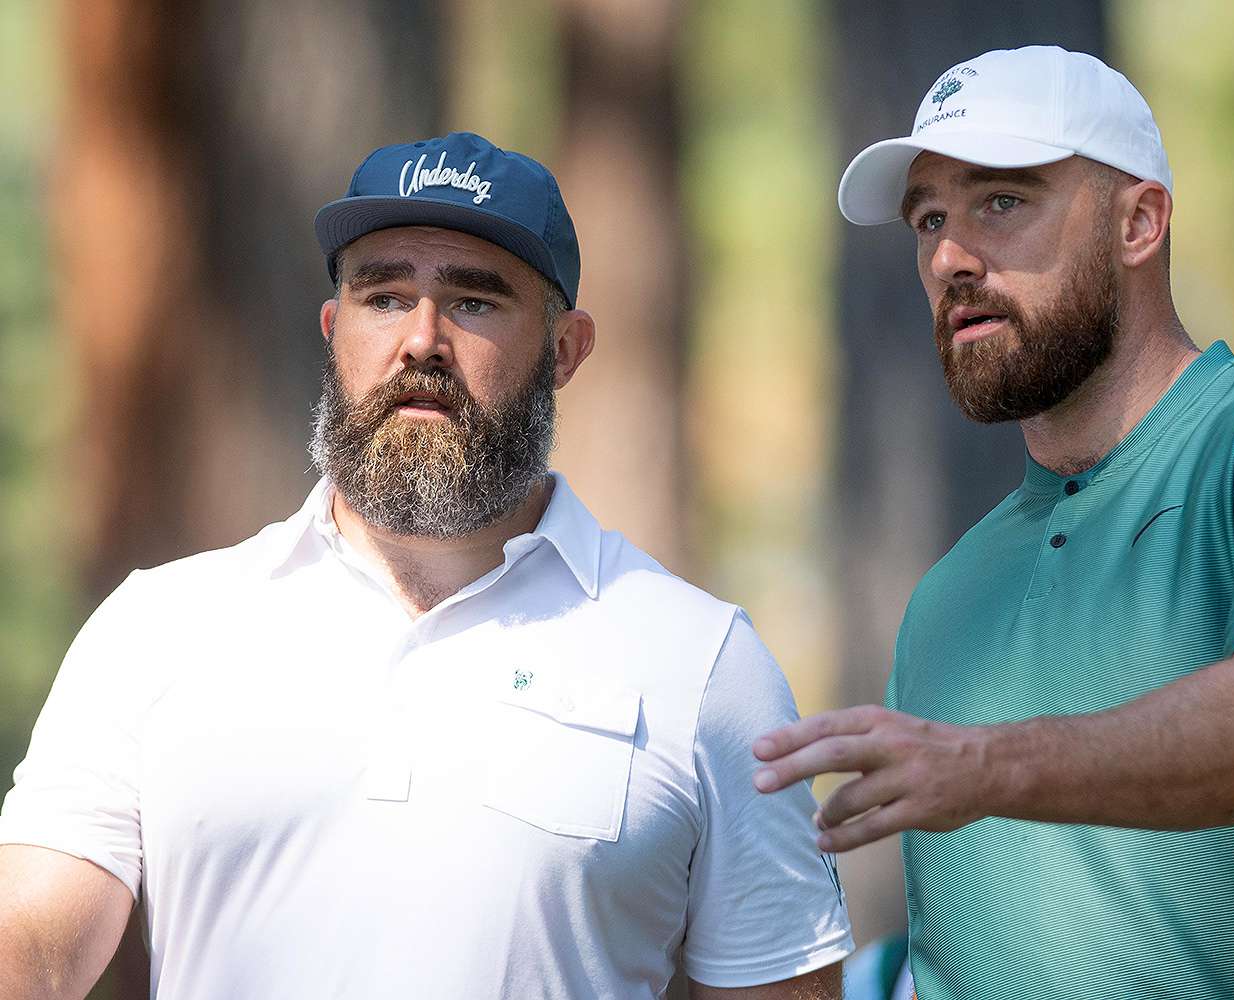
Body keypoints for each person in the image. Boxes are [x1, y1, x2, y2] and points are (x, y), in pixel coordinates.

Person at [0, 131, 852, 999]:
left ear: (566, 351)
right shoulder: (159, 627)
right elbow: (31, 944)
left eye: (476, 302)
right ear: (335, 330)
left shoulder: (703, 664)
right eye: (384, 296)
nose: (423, 340)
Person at [752, 47, 1234, 999]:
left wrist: (988, 766)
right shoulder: (945, 599)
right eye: (928, 220)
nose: (950, 257)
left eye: (1000, 201)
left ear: (1139, 221)